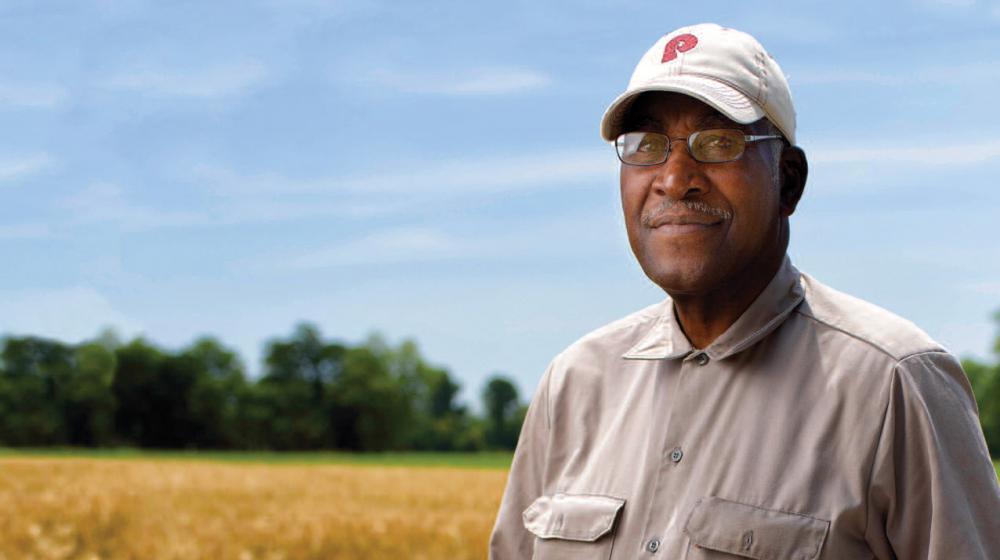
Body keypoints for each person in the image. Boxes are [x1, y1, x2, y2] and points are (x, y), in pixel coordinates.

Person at [489, 23, 1000, 559]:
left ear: (789, 180)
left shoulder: (895, 383)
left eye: (718, 142)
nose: (674, 177)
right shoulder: (573, 384)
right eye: (646, 145)